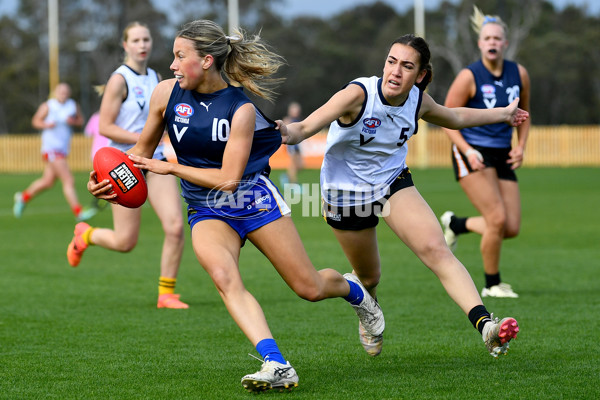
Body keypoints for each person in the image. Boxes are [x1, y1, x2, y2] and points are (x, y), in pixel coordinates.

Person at [85, 19, 384, 392]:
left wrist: (171, 166)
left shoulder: (240, 109)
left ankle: (355, 292)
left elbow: (229, 178)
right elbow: (141, 153)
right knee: (225, 278)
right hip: (205, 208)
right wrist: (107, 178)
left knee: (308, 287)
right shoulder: (166, 94)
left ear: (207, 60)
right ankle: (277, 364)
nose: (173, 65)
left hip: (250, 198)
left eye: (181, 57)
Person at [279, 33, 526, 358]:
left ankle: (487, 327)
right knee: (369, 278)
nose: (395, 71)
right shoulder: (358, 94)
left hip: (392, 182)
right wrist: (279, 131)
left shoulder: (418, 101)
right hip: (345, 195)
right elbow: (303, 128)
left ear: (420, 75)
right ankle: (366, 308)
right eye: (391, 62)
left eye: (407, 66)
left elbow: (455, 117)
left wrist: (503, 114)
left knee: (436, 250)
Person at [66, 21, 189, 310]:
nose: (142, 44)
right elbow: (106, 126)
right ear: (125, 45)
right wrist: (144, 137)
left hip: (154, 160)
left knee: (174, 227)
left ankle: (166, 294)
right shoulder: (119, 80)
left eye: (146, 39)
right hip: (123, 164)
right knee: (125, 242)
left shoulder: (156, 77)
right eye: (136, 40)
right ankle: (85, 234)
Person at [439, 6, 531, 299]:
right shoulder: (469, 76)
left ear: (505, 43)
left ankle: (456, 224)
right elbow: (446, 118)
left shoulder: (520, 73)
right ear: (480, 43)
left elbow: (525, 114)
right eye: (487, 38)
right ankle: (492, 284)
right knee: (496, 219)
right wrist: (466, 150)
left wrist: (521, 146)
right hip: (473, 152)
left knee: (511, 226)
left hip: (502, 152)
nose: (492, 42)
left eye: (497, 38)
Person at [13, 82, 97, 222]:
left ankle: (23, 197)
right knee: (68, 180)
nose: (63, 94)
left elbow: (80, 121)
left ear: (68, 93)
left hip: (63, 149)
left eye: (65, 92)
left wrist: (73, 121)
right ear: (56, 93)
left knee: (47, 182)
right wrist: (46, 124)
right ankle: (78, 212)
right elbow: (35, 121)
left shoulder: (72, 105)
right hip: (51, 149)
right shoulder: (48, 106)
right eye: (61, 92)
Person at [83, 110, 110, 213]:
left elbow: (87, 133)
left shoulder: (95, 117)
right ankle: (101, 199)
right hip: (109, 150)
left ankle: (100, 199)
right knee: (108, 176)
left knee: (101, 176)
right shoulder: (113, 115)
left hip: (96, 151)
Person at [279, 101, 304, 189]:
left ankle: (286, 176)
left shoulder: (298, 120)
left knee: (300, 165)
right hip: (291, 146)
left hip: (298, 145)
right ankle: (294, 184)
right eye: (294, 110)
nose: (296, 111)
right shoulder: (288, 120)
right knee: (293, 165)